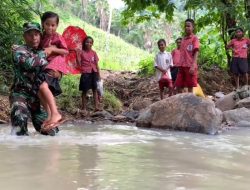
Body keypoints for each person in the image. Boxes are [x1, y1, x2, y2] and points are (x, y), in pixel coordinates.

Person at [10, 22, 59, 136]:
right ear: (24, 37)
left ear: (40, 36)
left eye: (36, 34)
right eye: (30, 35)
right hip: (20, 95)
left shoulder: (44, 51)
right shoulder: (19, 50)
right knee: (19, 123)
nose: (34, 38)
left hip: (37, 99)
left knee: (52, 132)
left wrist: (57, 73)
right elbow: (29, 63)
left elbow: (54, 69)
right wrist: (47, 52)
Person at [33, 11, 69, 130]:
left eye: (53, 25)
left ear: (57, 26)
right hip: (44, 67)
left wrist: (53, 50)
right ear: (43, 24)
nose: (50, 27)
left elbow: (66, 51)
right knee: (39, 90)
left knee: (43, 86)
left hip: (55, 66)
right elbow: (35, 49)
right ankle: (50, 116)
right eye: (47, 24)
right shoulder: (42, 37)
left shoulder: (57, 37)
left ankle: (55, 113)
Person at [175, 18, 200, 93]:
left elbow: (196, 51)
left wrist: (193, 65)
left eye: (189, 26)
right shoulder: (183, 39)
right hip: (182, 66)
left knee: (190, 87)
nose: (187, 28)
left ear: (193, 27)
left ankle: (190, 103)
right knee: (178, 86)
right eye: (185, 26)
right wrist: (179, 65)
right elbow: (182, 53)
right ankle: (182, 102)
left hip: (190, 66)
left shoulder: (194, 38)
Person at [77, 36, 101, 114]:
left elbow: (97, 64)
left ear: (92, 44)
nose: (89, 44)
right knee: (85, 90)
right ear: (84, 43)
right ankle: (84, 108)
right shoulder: (81, 52)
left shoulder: (94, 53)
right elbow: (78, 64)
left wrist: (99, 74)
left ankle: (96, 107)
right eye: (87, 42)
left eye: (90, 42)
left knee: (95, 89)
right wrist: (77, 55)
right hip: (85, 73)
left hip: (94, 72)